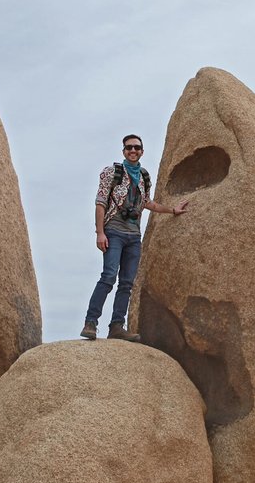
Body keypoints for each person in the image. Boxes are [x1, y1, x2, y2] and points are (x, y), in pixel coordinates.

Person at [80, 134, 188, 341]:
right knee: (109, 276)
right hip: (113, 231)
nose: (133, 150)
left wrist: (172, 210)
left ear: (142, 151)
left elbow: (148, 203)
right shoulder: (111, 172)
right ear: (123, 151)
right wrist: (100, 232)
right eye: (129, 147)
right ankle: (91, 322)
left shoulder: (144, 176)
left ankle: (117, 327)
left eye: (137, 148)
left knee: (127, 283)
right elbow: (100, 202)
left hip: (133, 236)